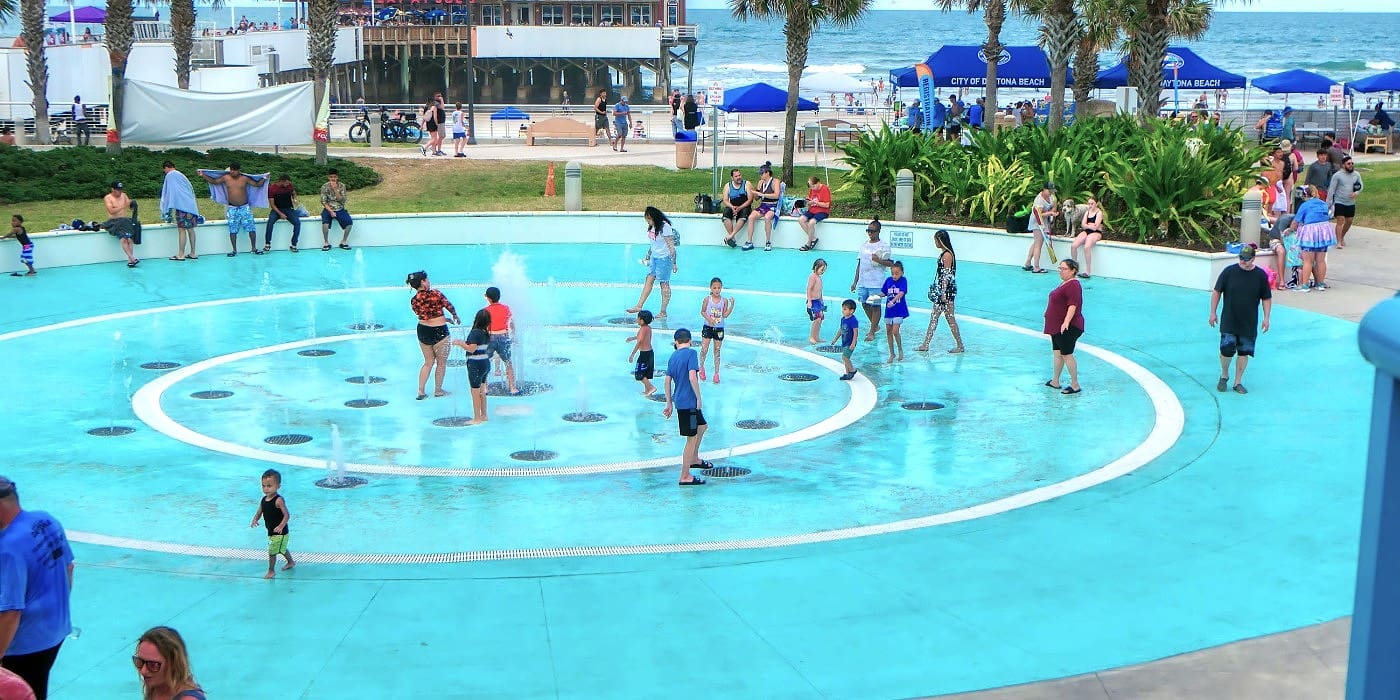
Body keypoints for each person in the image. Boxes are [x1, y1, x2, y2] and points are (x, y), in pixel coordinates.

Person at [0, 475, 75, 700]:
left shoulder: (7, 549)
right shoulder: (46, 520)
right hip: (56, 630)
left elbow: (11, 612)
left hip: (25, 645)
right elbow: (68, 568)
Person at [1209, 245, 1271, 395]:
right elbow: (1217, 292)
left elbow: (1266, 298)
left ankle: (1238, 382)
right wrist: (1213, 312)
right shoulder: (1229, 272)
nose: (1243, 261)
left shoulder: (1260, 276)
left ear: (1253, 258)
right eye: (1241, 258)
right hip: (1229, 319)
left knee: (1244, 352)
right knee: (1226, 350)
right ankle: (1224, 375)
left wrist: (1266, 318)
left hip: (1248, 322)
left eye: (1247, 259)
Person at [662, 328, 707, 486]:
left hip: (680, 401)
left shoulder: (673, 357)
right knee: (691, 438)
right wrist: (699, 398)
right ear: (690, 341)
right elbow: (692, 377)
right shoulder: (691, 353)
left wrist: (669, 403)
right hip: (689, 404)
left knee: (702, 426)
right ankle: (685, 475)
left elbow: (667, 381)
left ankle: (694, 458)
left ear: (676, 341)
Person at [407, 271, 460, 400]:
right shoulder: (436, 294)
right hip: (439, 331)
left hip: (423, 330)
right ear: (422, 282)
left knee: (428, 362)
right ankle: (438, 390)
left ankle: (420, 390)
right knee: (441, 363)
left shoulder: (414, 300)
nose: (429, 282)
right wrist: (454, 316)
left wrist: (443, 318)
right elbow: (448, 306)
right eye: (427, 280)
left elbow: (425, 315)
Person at [199, 161, 267, 257]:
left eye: (234, 170)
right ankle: (234, 250)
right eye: (231, 170)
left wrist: (264, 178)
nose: (232, 172)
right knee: (232, 229)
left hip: (244, 207)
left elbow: (257, 184)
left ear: (239, 170)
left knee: (251, 228)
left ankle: (254, 248)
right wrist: (203, 175)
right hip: (232, 208)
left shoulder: (244, 178)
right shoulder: (226, 178)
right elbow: (214, 182)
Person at [915, 229, 964, 353]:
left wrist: (942, 293)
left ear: (940, 240)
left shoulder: (947, 255)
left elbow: (946, 275)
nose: (935, 243)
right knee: (941, 317)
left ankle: (958, 345)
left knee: (944, 318)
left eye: (936, 240)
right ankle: (927, 344)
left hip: (946, 291)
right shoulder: (946, 253)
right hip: (946, 290)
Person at [1044, 258, 1085, 395]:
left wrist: (1066, 322)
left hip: (1067, 327)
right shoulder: (1065, 284)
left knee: (1067, 354)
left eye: (1064, 269)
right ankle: (1055, 380)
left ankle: (1075, 384)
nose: (1060, 271)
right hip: (1056, 326)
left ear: (1073, 270)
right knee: (1057, 353)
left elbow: (1073, 305)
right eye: (1060, 268)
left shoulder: (1073, 285)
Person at [626, 207, 676, 319]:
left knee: (664, 284)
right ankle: (639, 305)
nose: (648, 222)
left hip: (664, 259)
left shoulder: (665, 227)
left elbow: (671, 245)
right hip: (655, 257)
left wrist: (674, 262)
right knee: (649, 279)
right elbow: (653, 243)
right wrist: (648, 255)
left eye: (649, 219)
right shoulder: (653, 227)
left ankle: (663, 311)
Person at [133, 626, 206, 700]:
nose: (143, 671)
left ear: (173, 664)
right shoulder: (157, 684)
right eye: (139, 662)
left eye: (153, 665)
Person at [850, 218, 893, 341]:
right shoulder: (864, 245)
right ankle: (875, 325)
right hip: (863, 281)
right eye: (868, 230)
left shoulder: (884, 246)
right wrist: (855, 281)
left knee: (875, 306)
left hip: (876, 282)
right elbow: (859, 264)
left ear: (878, 231)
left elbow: (891, 263)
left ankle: (872, 330)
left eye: (872, 231)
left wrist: (879, 261)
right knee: (864, 303)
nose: (869, 233)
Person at [1289, 184, 1336, 292]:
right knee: (1320, 260)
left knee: (1307, 261)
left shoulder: (1305, 205)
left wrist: (1290, 230)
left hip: (1310, 233)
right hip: (1324, 232)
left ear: (1305, 195)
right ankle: (1320, 284)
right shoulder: (1323, 204)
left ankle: (1304, 285)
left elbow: (1296, 221)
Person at [249, 468, 294, 578]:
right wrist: (255, 519)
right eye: (263, 486)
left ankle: (271, 571)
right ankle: (291, 562)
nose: (266, 489)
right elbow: (259, 511)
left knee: (272, 552)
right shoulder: (264, 499)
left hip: (280, 532)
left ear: (278, 486)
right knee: (282, 549)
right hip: (272, 531)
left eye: (269, 486)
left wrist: (281, 526)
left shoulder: (278, 500)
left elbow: (287, 515)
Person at [450, 309, 492, 424]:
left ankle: (476, 418)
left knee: (475, 391)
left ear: (476, 319)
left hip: (475, 364)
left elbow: (471, 349)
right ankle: (484, 415)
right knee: (482, 390)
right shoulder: (485, 333)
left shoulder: (475, 332)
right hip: (485, 362)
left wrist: (459, 343)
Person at [159, 161, 200, 260]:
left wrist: (166, 207)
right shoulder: (181, 175)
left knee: (181, 230)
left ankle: (181, 254)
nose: (165, 173)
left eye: (164, 170)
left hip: (182, 207)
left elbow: (168, 192)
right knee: (191, 229)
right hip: (190, 206)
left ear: (166, 168)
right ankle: (193, 253)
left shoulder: (170, 175)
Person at [697, 277, 734, 384]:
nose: (717, 290)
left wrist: (732, 305)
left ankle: (716, 373)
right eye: (715, 288)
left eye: (719, 288)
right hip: (708, 327)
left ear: (721, 288)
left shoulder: (724, 301)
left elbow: (725, 315)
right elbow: (703, 311)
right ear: (711, 288)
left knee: (717, 351)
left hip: (719, 329)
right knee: (704, 349)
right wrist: (709, 319)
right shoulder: (707, 299)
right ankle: (701, 367)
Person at [484, 286, 519, 395]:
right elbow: (511, 323)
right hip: (504, 336)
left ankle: (485, 388)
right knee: (508, 363)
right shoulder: (506, 308)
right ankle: (512, 387)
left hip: (491, 337)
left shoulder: (485, 310)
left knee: (485, 363)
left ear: (488, 298)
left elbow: (483, 327)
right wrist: (514, 335)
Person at [743, 162, 783, 251]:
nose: (760, 175)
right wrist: (753, 193)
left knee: (767, 217)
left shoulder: (775, 181)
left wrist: (762, 194)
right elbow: (757, 198)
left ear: (767, 173)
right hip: (763, 205)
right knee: (751, 217)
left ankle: (768, 241)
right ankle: (749, 241)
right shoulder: (760, 182)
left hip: (773, 205)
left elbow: (776, 195)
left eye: (761, 173)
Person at [1328, 155, 1362, 249]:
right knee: (1340, 220)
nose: (1351, 165)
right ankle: (1338, 242)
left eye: (1352, 163)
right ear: (1343, 165)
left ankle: (1342, 236)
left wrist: (1356, 193)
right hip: (1339, 201)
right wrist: (1328, 203)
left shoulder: (1356, 174)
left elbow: (1361, 186)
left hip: (1351, 202)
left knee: (1349, 221)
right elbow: (1331, 190)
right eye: (1348, 163)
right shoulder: (1337, 175)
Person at [103, 181, 140, 268]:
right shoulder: (108, 198)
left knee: (129, 239)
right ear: (112, 189)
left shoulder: (124, 195)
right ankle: (132, 258)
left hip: (125, 221)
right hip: (114, 222)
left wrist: (132, 204)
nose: (119, 192)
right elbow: (111, 211)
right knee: (124, 239)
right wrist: (123, 206)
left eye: (120, 190)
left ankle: (130, 260)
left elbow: (129, 204)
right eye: (117, 190)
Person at [1023, 182, 1057, 273]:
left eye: (1052, 191)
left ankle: (1028, 263)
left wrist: (1052, 211)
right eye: (1049, 191)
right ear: (1044, 189)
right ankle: (1036, 267)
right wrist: (1050, 213)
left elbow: (1054, 206)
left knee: (1036, 242)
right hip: (1037, 222)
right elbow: (1038, 214)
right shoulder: (1039, 200)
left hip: (1044, 221)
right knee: (1038, 244)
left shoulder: (1052, 197)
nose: (1050, 192)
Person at [1069, 194, 1105, 279]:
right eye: (1089, 204)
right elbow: (1083, 225)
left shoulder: (1099, 213)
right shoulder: (1087, 212)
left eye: (1092, 204)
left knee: (1087, 247)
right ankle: (1074, 268)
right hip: (1087, 231)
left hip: (1096, 232)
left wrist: (1088, 225)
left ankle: (1088, 271)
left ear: (1096, 204)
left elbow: (1096, 227)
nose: (1090, 206)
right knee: (1073, 246)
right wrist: (1089, 225)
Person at [880, 261, 909, 362]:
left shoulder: (903, 281)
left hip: (898, 310)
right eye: (892, 273)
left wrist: (893, 301)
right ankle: (892, 353)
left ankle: (900, 349)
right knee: (888, 330)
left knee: (895, 331)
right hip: (889, 311)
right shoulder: (888, 280)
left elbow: (901, 293)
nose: (894, 276)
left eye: (897, 273)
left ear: (902, 273)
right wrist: (875, 297)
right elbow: (883, 293)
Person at [264, 174, 300, 253]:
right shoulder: (272, 189)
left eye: (289, 183)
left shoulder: (289, 186)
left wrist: (295, 199)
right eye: (286, 183)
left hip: (288, 209)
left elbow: (293, 192)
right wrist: (280, 214)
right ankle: (267, 244)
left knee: (297, 223)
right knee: (270, 222)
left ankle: (294, 245)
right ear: (281, 181)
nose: (288, 185)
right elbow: (272, 205)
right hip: (277, 209)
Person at [319, 168, 353, 250]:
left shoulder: (342, 186)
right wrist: (330, 211)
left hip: (339, 208)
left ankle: (343, 241)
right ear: (328, 177)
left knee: (349, 223)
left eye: (334, 177)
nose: (333, 179)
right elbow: (323, 201)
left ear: (337, 177)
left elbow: (342, 200)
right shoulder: (324, 186)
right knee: (325, 224)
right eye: (331, 177)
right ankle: (326, 242)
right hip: (328, 208)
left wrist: (335, 189)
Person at [719, 169, 752, 248]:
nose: (739, 177)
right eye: (736, 176)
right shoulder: (728, 185)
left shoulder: (747, 184)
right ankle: (732, 238)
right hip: (733, 206)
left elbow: (750, 200)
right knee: (726, 214)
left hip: (744, 206)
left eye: (739, 175)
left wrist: (740, 208)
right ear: (732, 177)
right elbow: (725, 200)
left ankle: (731, 236)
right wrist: (732, 207)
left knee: (743, 215)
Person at [796, 175, 830, 251]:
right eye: (811, 187)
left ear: (818, 183)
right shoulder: (812, 189)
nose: (812, 188)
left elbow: (827, 205)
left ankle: (808, 243)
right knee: (801, 220)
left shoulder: (825, 189)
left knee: (811, 222)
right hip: (813, 210)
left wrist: (817, 203)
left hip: (822, 211)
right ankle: (813, 238)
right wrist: (809, 202)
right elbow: (809, 201)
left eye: (813, 186)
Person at [627, 309, 656, 396]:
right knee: (646, 372)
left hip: (644, 354)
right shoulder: (648, 328)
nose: (637, 320)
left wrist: (632, 354)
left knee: (639, 373)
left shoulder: (642, 329)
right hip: (650, 353)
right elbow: (641, 337)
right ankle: (647, 390)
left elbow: (639, 342)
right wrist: (632, 338)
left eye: (638, 318)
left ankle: (651, 387)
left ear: (642, 320)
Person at [832, 299, 859, 381]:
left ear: (851, 311)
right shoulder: (843, 319)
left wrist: (853, 343)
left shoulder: (853, 320)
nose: (843, 311)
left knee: (845, 357)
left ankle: (852, 370)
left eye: (845, 309)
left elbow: (855, 332)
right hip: (845, 342)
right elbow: (840, 330)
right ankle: (848, 374)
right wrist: (835, 339)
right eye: (843, 309)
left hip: (850, 343)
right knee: (846, 358)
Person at [806, 258, 827, 344]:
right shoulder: (813, 276)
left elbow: (820, 290)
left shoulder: (819, 277)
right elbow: (809, 289)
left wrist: (821, 300)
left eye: (824, 270)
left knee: (820, 319)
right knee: (816, 319)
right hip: (813, 302)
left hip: (818, 301)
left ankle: (817, 337)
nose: (823, 272)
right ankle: (812, 337)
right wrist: (809, 301)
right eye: (822, 269)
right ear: (816, 267)